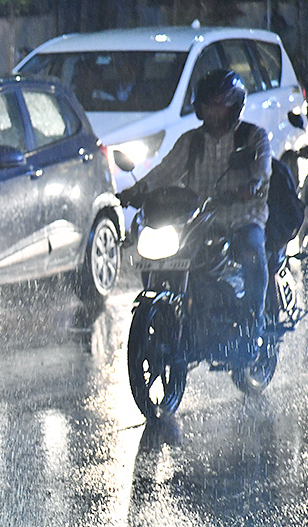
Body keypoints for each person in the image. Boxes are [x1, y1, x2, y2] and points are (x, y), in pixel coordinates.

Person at [119, 69, 270, 355]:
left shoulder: (252, 137)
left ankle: (253, 325)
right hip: (199, 219)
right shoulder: (191, 141)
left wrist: (253, 185)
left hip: (242, 217)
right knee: (162, 257)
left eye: (219, 105)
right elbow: (165, 171)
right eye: (207, 105)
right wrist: (137, 190)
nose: (212, 112)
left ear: (234, 106)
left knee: (252, 254)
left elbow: (262, 170)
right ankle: (177, 320)